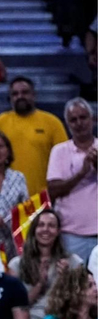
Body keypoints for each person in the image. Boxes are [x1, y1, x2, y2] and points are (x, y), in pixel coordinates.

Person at [0, 77, 67, 198]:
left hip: (43, 198)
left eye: (25, 92)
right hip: (7, 199)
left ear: (34, 95)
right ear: (10, 98)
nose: (20, 96)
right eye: (15, 94)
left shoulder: (52, 123)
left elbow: (64, 160)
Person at [46, 98, 97, 265]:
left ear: (93, 119)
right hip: (70, 234)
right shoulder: (59, 151)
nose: (79, 123)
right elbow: (53, 191)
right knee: (72, 287)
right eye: (73, 120)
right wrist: (81, 173)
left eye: (83, 117)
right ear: (67, 124)